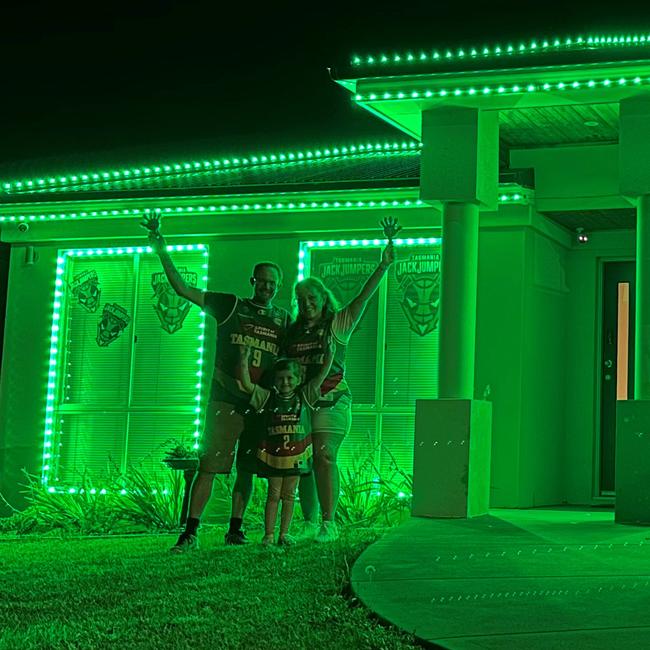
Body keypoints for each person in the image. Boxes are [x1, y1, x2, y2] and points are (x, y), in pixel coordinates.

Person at [140, 209, 290, 551]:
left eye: (273, 283)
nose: (267, 287)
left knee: (247, 468)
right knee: (209, 466)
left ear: (278, 287)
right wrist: (160, 245)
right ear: (253, 281)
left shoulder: (283, 318)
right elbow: (181, 289)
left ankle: (235, 530)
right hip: (225, 400)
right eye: (262, 280)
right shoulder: (230, 305)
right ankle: (190, 532)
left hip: (259, 404)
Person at [286, 217, 401, 543]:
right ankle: (307, 521)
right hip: (300, 404)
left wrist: (383, 265)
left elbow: (362, 298)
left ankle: (328, 522)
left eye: (313, 298)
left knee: (324, 455)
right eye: (302, 299)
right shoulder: (293, 332)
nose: (307, 304)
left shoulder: (338, 322)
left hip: (333, 398)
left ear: (323, 299)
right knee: (303, 460)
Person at [238, 339, 334, 546]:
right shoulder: (267, 397)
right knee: (273, 494)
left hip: (297, 455)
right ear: (274, 380)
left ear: (298, 379)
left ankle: (284, 534)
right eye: (281, 378)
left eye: (290, 378)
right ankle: (269, 534)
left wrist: (330, 357)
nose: (285, 382)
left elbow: (320, 378)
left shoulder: (304, 395)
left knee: (290, 495)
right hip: (274, 455)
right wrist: (244, 359)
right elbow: (247, 385)